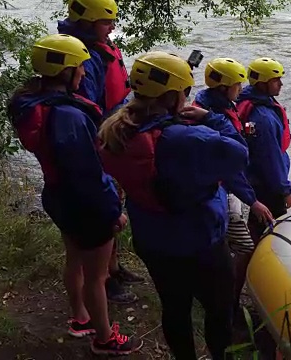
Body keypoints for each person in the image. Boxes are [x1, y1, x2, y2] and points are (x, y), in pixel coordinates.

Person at [98, 51, 248, 360]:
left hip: (153, 240)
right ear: (172, 96)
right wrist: (211, 118)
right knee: (219, 310)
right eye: (186, 91)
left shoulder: (117, 127)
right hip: (200, 241)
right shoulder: (188, 139)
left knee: (174, 307)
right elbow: (239, 154)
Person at [7, 34, 142, 355]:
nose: (84, 73)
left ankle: (81, 318)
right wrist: (113, 211)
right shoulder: (69, 116)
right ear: (65, 71)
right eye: (79, 67)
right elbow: (87, 175)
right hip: (85, 204)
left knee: (75, 260)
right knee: (96, 276)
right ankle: (105, 339)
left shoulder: (35, 103)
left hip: (58, 196)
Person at [57, 0, 143, 304]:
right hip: (102, 142)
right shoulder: (87, 57)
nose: (112, 28)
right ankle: (104, 281)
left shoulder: (98, 46)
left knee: (115, 202)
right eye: (107, 23)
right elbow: (90, 109)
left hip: (113, 134)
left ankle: (114, 267)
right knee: (106, 210)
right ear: (88, 23)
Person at [192, 57, 275, 322]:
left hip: (226, 188)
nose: (241, 89)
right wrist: (253, 198)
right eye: (236, 85)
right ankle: (227, 308)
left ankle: (224, 301)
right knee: (244, 248)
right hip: (223, 191)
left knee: (230, 247)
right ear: (223, 88)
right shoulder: (208, 118)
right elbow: (229, 165)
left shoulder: (214, 107)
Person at [235, 57, 291, 245]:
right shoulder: (262, 118)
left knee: (257, 225)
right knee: (271, 231)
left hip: (257, 180)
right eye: (276, 80)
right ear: (262, 84)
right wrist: (285, 190)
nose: (281, 84)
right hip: (268, 186)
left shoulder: (250, 103)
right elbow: (270, 158)